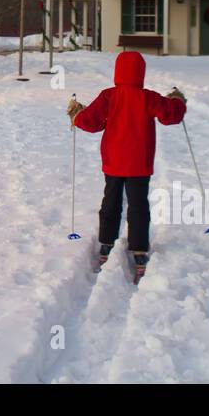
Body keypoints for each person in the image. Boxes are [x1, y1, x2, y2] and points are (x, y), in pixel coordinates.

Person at [66, 50, 186, 281]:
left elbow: (90, 122)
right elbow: (171, 115)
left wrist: (76, 112)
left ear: (117, 72)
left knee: (110, 201)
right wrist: (177, 100)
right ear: (140, 73)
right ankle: (139, 250)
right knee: (138, 205)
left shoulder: (109, 96)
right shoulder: (148, 97)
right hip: (139, 163)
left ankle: (106, 244)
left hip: (114, 161)